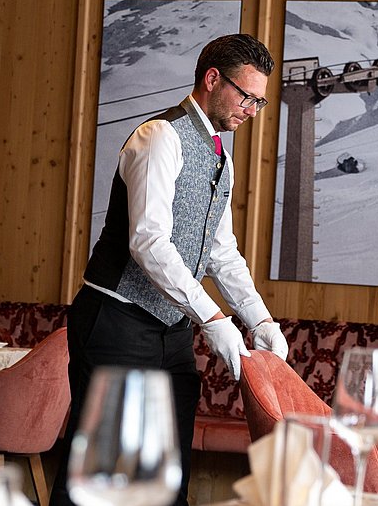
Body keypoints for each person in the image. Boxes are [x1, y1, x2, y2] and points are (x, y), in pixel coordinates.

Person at [51, 34, 289, 506]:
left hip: (170, 333)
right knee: (98, 478)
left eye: (259, 102)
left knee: (167, 479)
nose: (252, 111)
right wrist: (214, 318)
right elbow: (148, 241)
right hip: (115, 322)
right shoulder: (158, 137)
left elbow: (221, 251)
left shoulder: (221, 153)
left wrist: (259, 319)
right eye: (246, 96)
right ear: (212, 79)